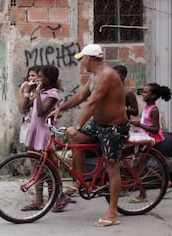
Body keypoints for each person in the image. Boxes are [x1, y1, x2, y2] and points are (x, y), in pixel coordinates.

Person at [49, 44, 129, 227]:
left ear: (90, 59)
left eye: (82, 59)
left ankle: (113, 212)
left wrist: (77, 126)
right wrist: (61, 107)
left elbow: (91, 104)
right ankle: (82, 181)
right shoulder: (94, 76)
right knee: (75, 140)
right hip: (98, 124)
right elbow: (80, 96)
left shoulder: (107, 75)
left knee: (112, 167)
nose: (81, 62)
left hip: (113, 127)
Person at [18, 65, 65, 211]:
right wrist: (26, 91)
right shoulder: (42, 91)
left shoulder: (52, 94)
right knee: (36, 166)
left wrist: (37, 93)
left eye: (40, 76)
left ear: (49, 79)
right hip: (33, 131)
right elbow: (25, 107)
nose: (37, 79)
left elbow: (40, 112)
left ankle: (55, 198)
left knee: (48, 167)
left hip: (44, 134)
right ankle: (38, 200)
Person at [128, 82, 171, 202]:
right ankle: (166, 181)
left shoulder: (154, 110)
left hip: (153, 141)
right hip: (146, 139)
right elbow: (146, 125)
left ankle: (143, 195)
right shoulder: (147, 107)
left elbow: (156, 129)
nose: (143, 94)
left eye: (146, 92)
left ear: (153, 96)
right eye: (143, 91)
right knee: (141, 166)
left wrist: (139, 124)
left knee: (137, 166)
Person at [17, 66, 41, 149]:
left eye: (33, 75)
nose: (30, 78)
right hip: (28, 124)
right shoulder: (26, 90)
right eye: (29, 75)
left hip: (39, 124)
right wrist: (23, 90)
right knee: (30, 151)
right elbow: (22, 109)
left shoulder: (42, 91)